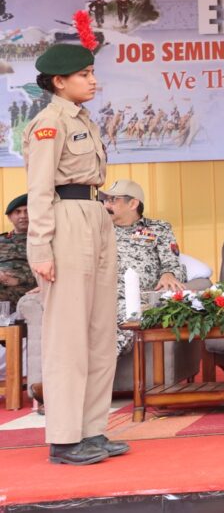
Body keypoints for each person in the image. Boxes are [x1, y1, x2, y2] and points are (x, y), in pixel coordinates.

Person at [23, 43, 124, 465]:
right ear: (59, 81)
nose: (93, 80)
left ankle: (91, 429)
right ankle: (65, 438)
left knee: (101, 332)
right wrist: (40, 247)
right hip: (65, 219)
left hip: (95, 214)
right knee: (68, 334)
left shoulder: (83, 119)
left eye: (92, 72)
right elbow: (39, 190)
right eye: (84, 74)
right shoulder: (48, 123)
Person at [101, 179, 187, 357]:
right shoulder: (98, 230)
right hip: (103, 297)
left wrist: (168, 274)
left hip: (139, 300)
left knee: (126, 317)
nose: (106, 205)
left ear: (133, 203)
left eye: (113, 200)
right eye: (105, 200)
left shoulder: (158, 228)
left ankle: (94, 366)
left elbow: (172, 263)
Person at [0, 194, 34, 307]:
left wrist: (18, 279)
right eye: (18, 212)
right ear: (10, 217)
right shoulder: (2, 240)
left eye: (27, 211)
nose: (23, 216)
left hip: (29, 298)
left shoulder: (42, 242)